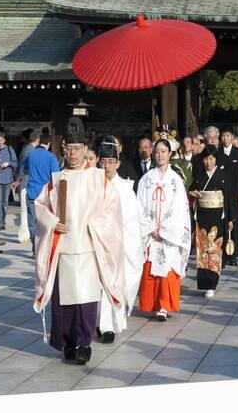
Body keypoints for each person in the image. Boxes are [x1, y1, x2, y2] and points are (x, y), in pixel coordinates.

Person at [33, 120, 125, 365]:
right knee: (64, 303)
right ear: (63, 149)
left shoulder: (97, 179)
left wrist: (96, 227)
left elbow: (112, 209)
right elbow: (40, 206)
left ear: (85, 149)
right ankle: (67, 343)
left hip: (87, 247)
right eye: (68, 148)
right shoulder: (56, 179)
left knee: (85, 300)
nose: (72, 153)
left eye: (77, 148)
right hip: (63, 247)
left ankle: (84, 342)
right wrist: (52, 222)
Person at [137, 138, 191, 321]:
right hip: (150, 232)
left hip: (169, 234)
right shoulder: (146, 179)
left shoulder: (176, 180)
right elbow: (140, 205)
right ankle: (152, 303)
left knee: (168, 267)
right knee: (151, 267)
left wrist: (165, 228)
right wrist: (150, 226)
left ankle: (164, 305)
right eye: (157, 151)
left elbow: (179, 209)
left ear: (170, 154)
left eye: (163, 151)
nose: (160, 155)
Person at [97, 136, 144, 343]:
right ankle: (98, 322)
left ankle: (110, 326)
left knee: (114, 285)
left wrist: (120, 240)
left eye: (110, 161)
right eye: (103, 161)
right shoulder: (93, 185)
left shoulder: (125, 189)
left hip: (118, 245)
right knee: (97, 286)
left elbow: (132, 221)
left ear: (118, 163)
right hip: (97, 242)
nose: (106, 165)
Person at [189, 145, 235, 298]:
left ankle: (213, 283)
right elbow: (192, 188)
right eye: (205, 159)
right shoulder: (199, 175)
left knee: (214, 249)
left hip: (217, 216)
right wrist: (192, 192)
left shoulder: (223, 175)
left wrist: (229, 218)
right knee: (202, 250)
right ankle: (204, 282)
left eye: (211, 159)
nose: (208, 162)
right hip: (202, 215)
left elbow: (228, 197)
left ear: (216, 160)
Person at [25, 133, 60, 257]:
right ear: (49, 143)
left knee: (32, 223)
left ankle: (35, 249)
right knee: (45, 223)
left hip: (31, 192)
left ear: (39, 142)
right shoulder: (51, 157)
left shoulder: (31, 154)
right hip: (45, 194)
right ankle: (43, 248)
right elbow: (56, 176)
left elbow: (25, 169)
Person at [218, 126, 238, 265]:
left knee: (234, 224)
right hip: (221, 194)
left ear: (232, 137)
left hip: (235, 194)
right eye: (223, 136)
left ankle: (233, 255)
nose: (225, 138)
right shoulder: (217, 153)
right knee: (223, 224)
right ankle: (223, 255)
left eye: (228, 135)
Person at [13, 130, 40, 243]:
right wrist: (18, 180)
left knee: (26, 209)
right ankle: (23, 235)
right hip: (25, 181)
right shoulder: (29, 150)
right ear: (37, 139)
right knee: (24, 210)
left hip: (25, 180)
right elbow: (21, 167)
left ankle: (26, 233)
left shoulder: (27, 149)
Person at [0, 132, 18, 231]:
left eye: (2, 140)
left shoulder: (9, 149)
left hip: (7, 178)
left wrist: (8, 163)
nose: (0, 142)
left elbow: (16, 164)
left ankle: (3, 222)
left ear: (5, 140)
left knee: (5, 202)